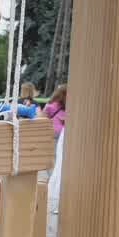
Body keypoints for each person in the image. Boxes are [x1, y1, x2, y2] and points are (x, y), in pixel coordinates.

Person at [44, 84, 68, 214]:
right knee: (59, 160)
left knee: (52, 159)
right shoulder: (68, 107)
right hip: (63, 135)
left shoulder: (51, 106)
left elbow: (43, 117)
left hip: (51, 134)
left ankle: (51, 179)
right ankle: (54, 180)